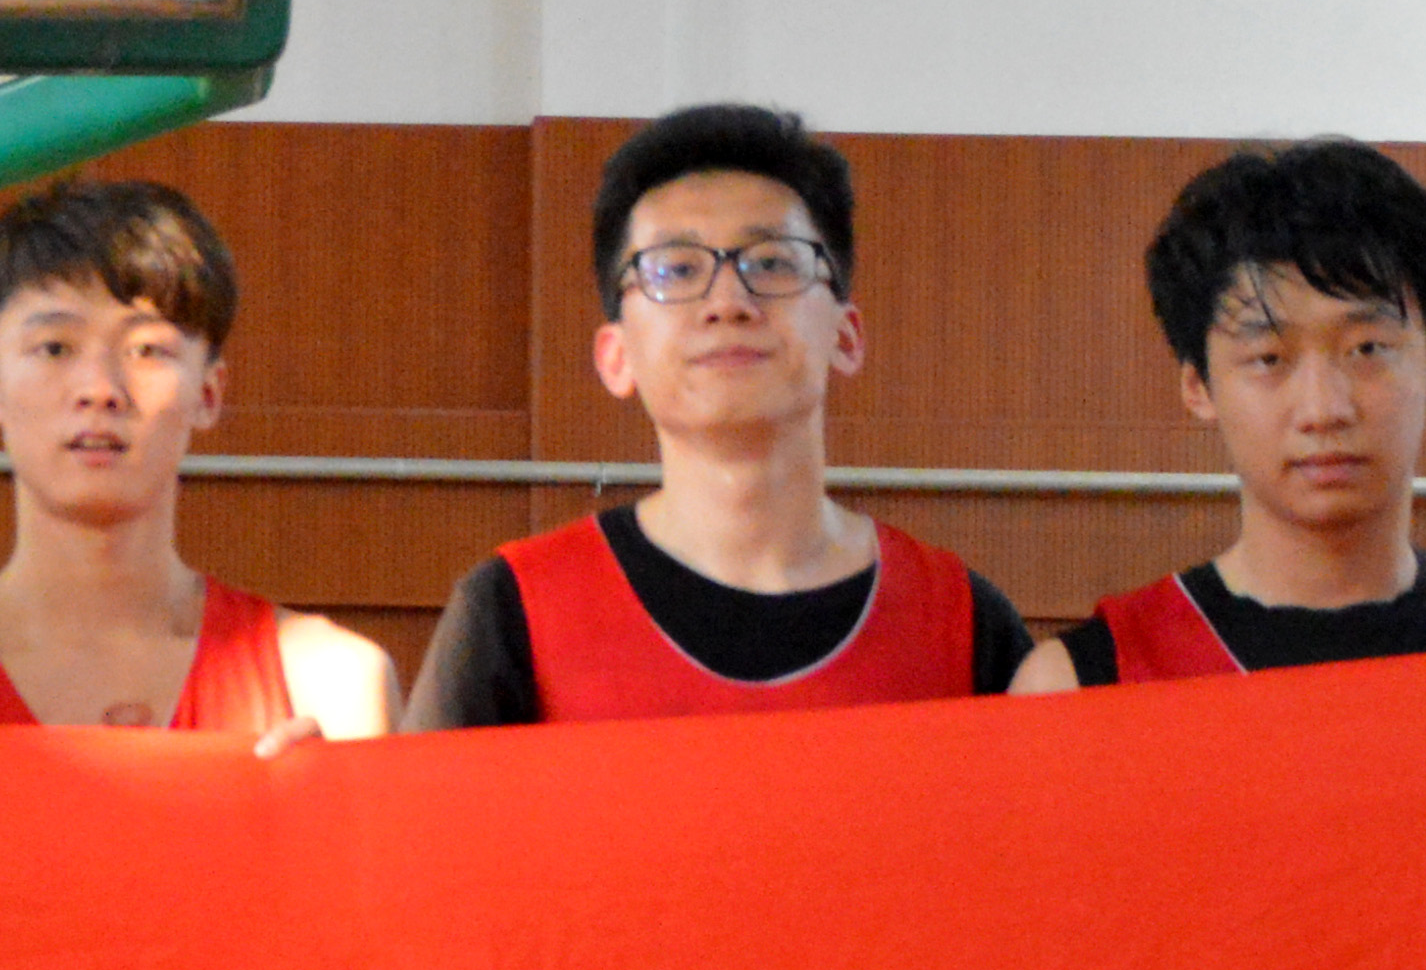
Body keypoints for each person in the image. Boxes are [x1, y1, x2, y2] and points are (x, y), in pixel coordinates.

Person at [405, 105, 1039, 722]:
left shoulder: (963, 624)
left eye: (772, 262)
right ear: (616, 357)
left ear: (846, 337)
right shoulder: (512, 609)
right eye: (677, 269)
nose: (728, 301)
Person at [0, 179, 391, 740]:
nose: (100, 389)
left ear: (209, 394)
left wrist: (321, 799)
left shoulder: (329, 687)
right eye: (54, 347)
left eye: (147, 349)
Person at [1061, 138, 1426, 679]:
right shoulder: (1087, 681)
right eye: (1268, 358)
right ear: (1198, 385)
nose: (1323, 410)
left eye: (1367, 349)